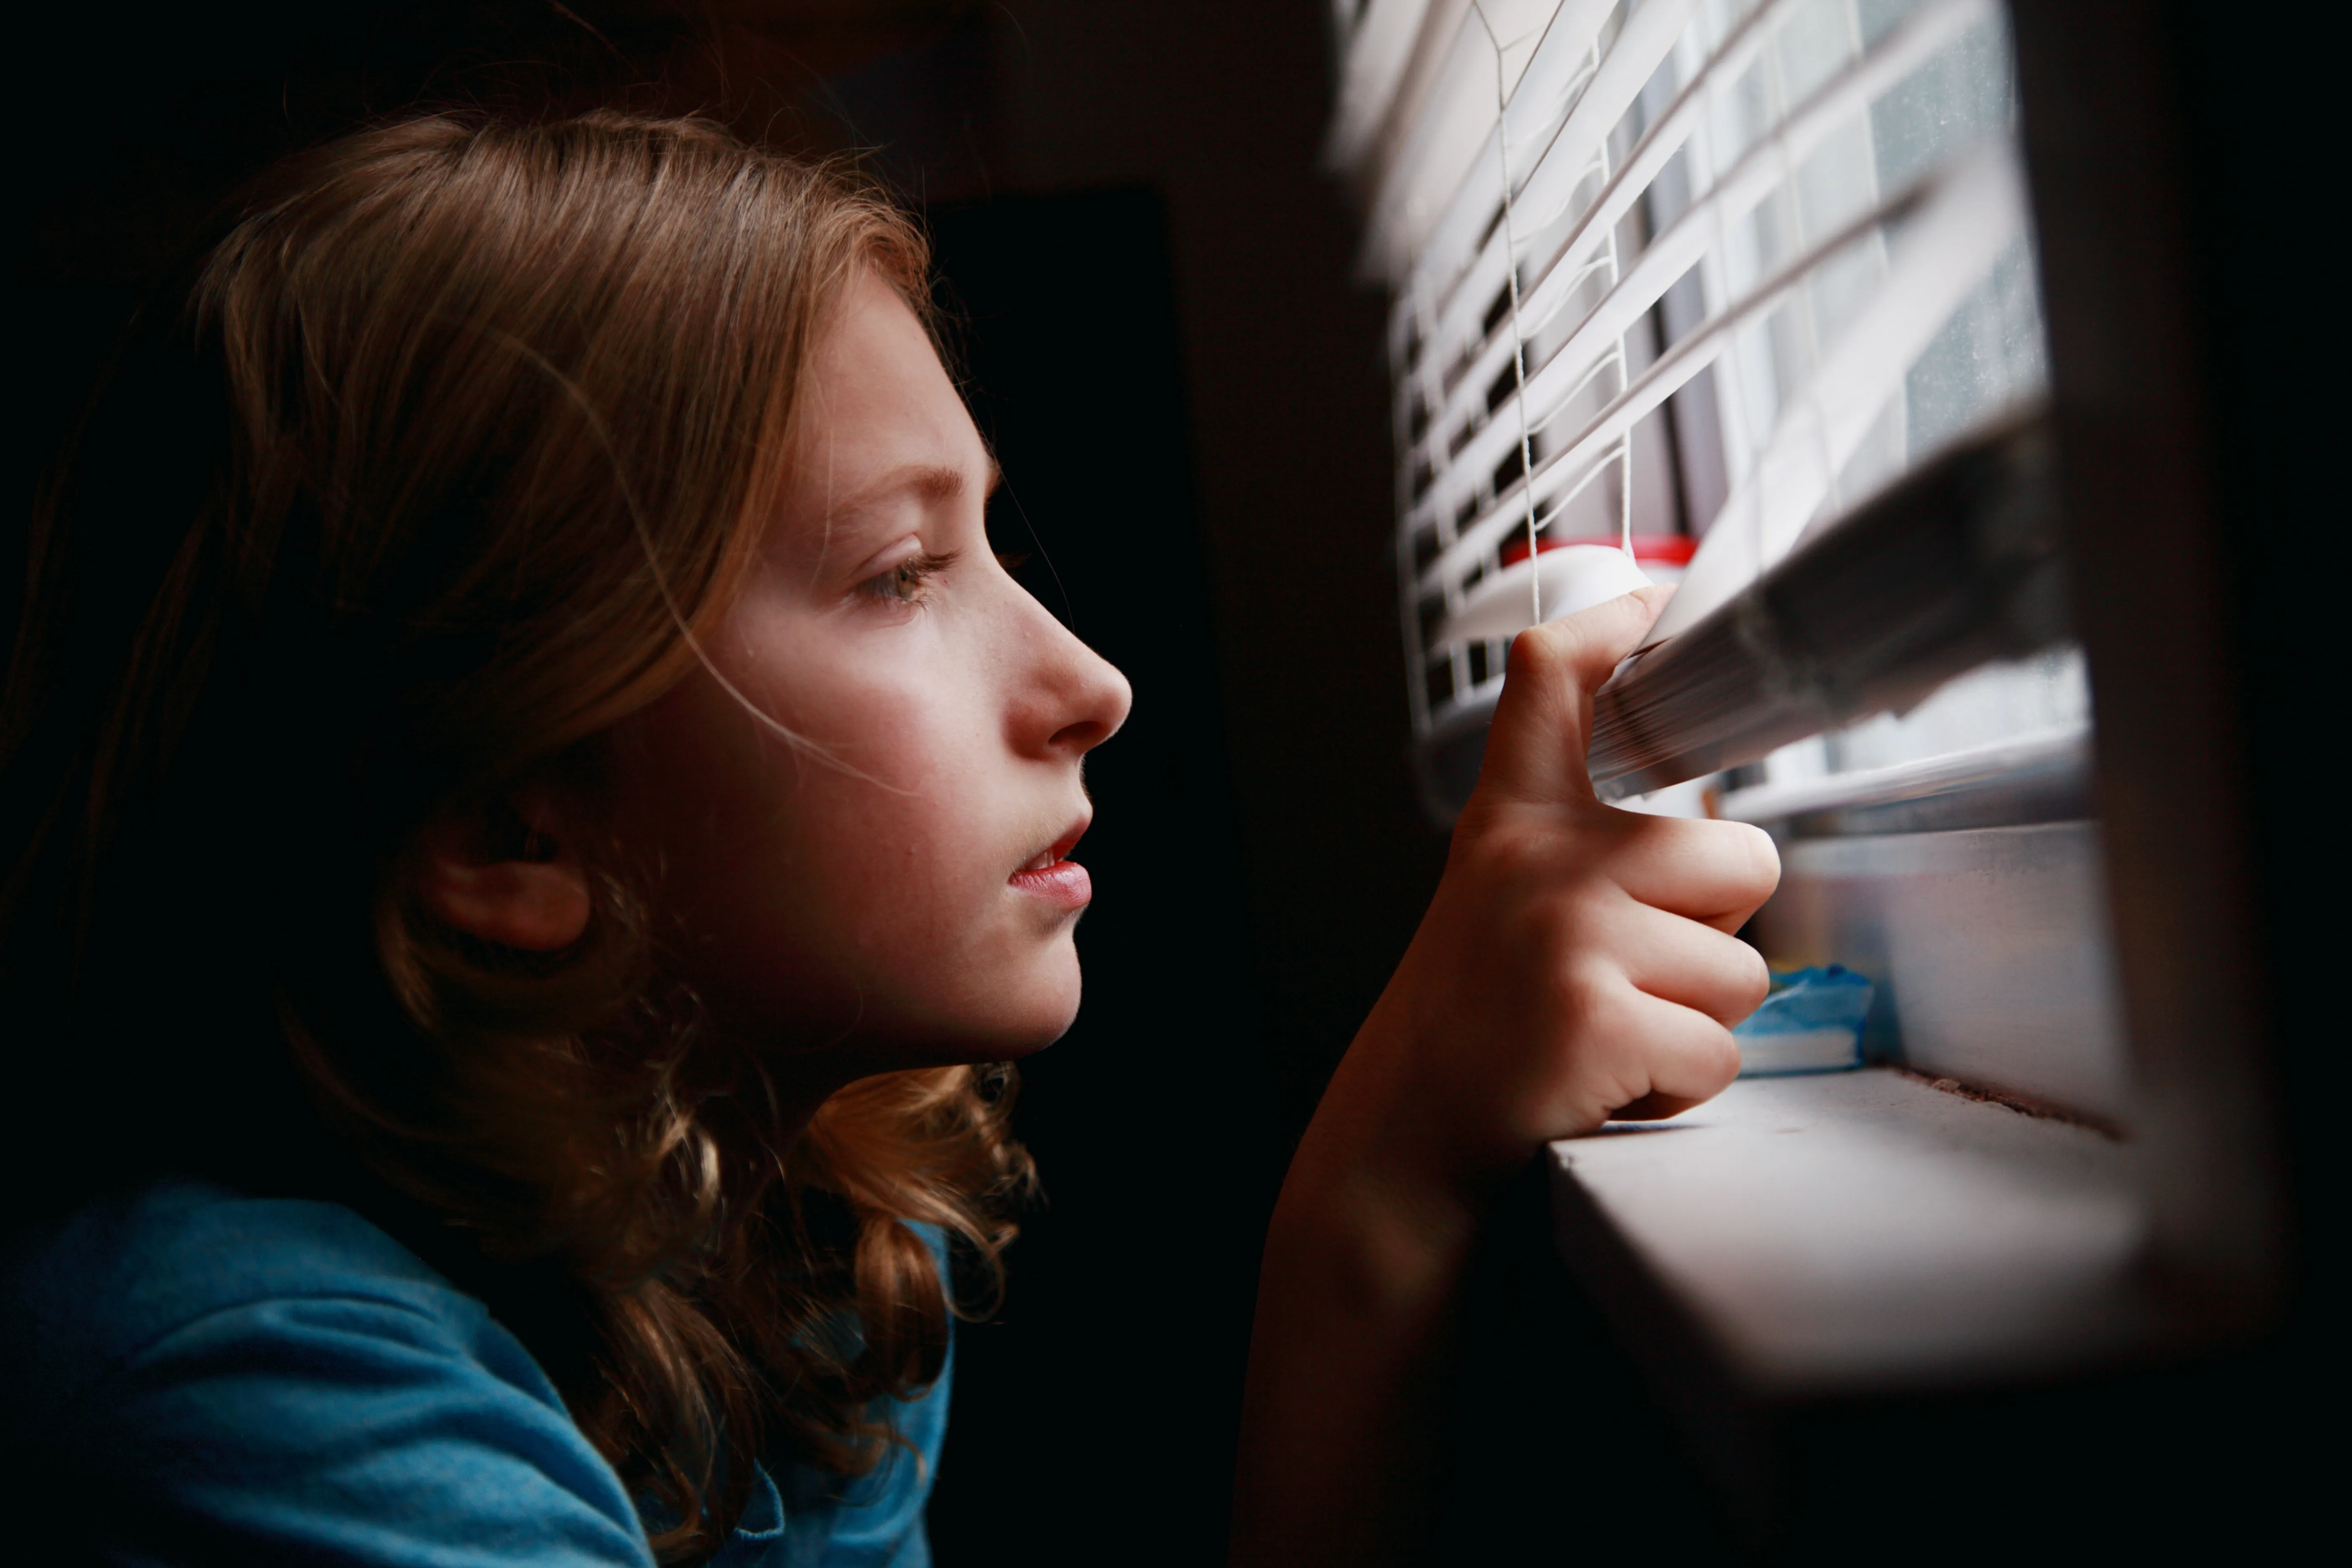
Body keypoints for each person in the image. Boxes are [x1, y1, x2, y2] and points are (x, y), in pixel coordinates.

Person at [0, 111, 1776, 1566]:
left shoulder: (802, 1236)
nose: (1093, 684)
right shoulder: (247, 1382)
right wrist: (1377, 1175)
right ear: (511, 826)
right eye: (900, 573)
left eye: (986, 542)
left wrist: (1385, 1195)